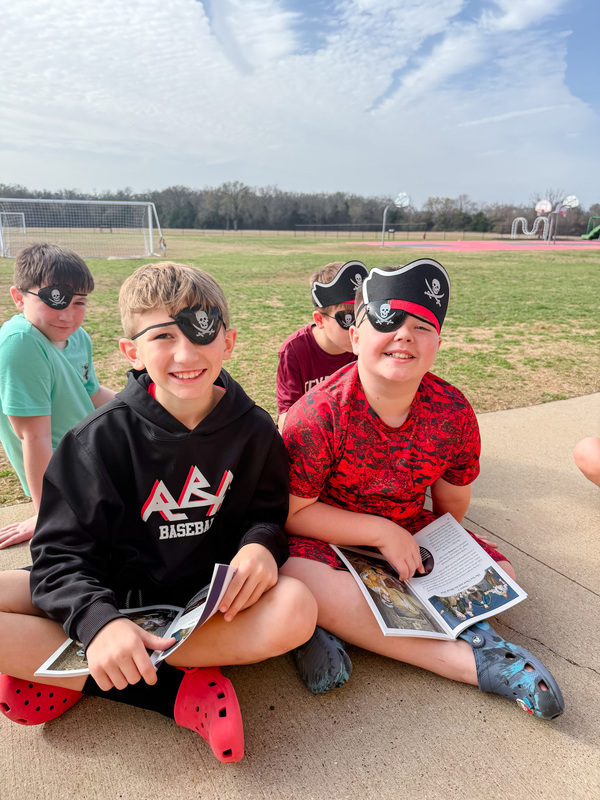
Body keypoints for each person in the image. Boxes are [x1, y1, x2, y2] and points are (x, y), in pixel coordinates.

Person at [0, 261, 317, 763]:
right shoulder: (96, 440)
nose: (187, 352)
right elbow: (60, 555)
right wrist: (99, 623)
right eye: (164, 336)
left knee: (297, 607)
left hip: (201, 605)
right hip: (108, 586)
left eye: (202, 331)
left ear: (228, 342)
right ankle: (167, 691)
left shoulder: (255, 430)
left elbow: (269, 510)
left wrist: (261, 545)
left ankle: (62, 670)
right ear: (132, 352)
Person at [281, 258, 564, 721]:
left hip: (410, 528)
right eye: (387, 319)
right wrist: (379, 533)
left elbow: (452, 506)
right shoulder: (318, 413)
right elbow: (293, 512)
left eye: (422, 325)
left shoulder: (452, 410)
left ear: (438, 343)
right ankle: (477, 663)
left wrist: (442, 556)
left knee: (502, 573)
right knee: (295, 577)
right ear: (355, 335)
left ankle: (341, 629)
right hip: (323, 537)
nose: (404, 335)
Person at [0, 243, 115, 548]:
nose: (68, 314)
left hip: (93, 457)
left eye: (79, 302)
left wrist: (150, 406)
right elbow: (33, 438)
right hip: (67, 481)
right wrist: (47, 513)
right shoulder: (21, 343)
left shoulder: (78, 337)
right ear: (19, 298)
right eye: (56, 299)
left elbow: (92, 394)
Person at [276, 260, 368, 432]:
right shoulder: (294, 350)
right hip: (311, 434)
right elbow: (286, 418)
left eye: (365, 316)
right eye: (347, 319)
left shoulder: (367, 345)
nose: (358, 328)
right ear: (320, 320)